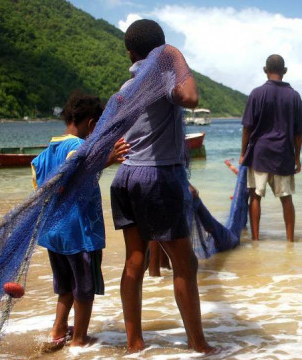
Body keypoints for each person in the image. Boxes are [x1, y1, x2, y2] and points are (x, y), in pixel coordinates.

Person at [109, 19, 214, 354]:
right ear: (160, 50)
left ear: (129, 51)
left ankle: (134, 343)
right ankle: (198, 345)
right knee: (186, 264)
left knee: (134, 262)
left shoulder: (125, 89)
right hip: (156, 178)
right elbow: (191, 97)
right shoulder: (162, 76)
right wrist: (176, 57)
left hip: (125, 178)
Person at [31, 92, 128, 350]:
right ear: (93, 124)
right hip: (80, 233)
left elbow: (45, 186)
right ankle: (80, 339)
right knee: (84, 289)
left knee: (65, 287)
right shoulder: (77, 147)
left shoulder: (46, 151)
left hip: (54, 232)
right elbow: (75, 176)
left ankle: (58, 331)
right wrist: (108, 159)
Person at [240, 54, 302, 242]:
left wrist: (243, 153)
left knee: (255, 197)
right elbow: (298, 132)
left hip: (259, 154)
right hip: (283, 154)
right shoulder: (294, 96)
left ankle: (255, 240)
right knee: (286, 199)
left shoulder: (256, 93)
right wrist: (297, 158)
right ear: (284, 71)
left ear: (265, 70)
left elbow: (247, 127)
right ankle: (290, 242)